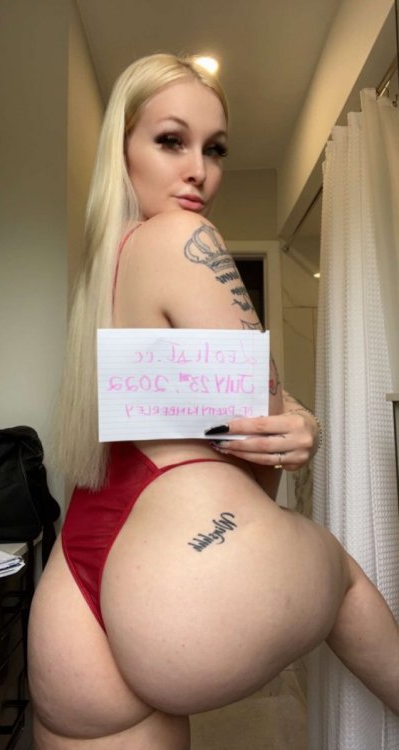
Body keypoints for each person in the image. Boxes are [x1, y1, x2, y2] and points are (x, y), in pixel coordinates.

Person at [28, 53, 399, 749]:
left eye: (215, 148)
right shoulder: (182, 237)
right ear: (122, 150)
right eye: (172, 140)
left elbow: (218, 408)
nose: (199, 170)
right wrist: (303, 426)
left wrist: (288, 419)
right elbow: (261, 430)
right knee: (341, 577)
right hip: (180, 571)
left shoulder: (101, 271)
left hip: (74, 585)